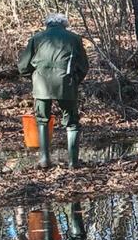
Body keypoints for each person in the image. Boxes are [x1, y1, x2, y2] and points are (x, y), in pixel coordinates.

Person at [18, 13, 89, 169]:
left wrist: (34, 77)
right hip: (66, 84)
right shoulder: (75, 39)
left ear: (47, 24)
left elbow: (23, 66)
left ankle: (44, 160)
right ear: (65, 24)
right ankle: (73, 162)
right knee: (72, 123)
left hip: (41, 86)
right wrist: (74, 81)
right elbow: (83, 66)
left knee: (42, 120)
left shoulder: (36, 38)